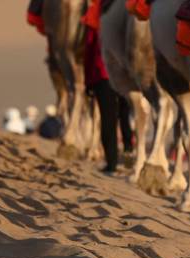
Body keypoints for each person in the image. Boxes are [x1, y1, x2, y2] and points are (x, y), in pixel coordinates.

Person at [82, 0, 132, 174]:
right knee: (127, 112)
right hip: (126, 73)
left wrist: (88, 81)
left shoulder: (95, 12)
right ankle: (129, 149)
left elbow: (89, 47)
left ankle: (112, 162)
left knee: (108, 119)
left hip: (102, 74)